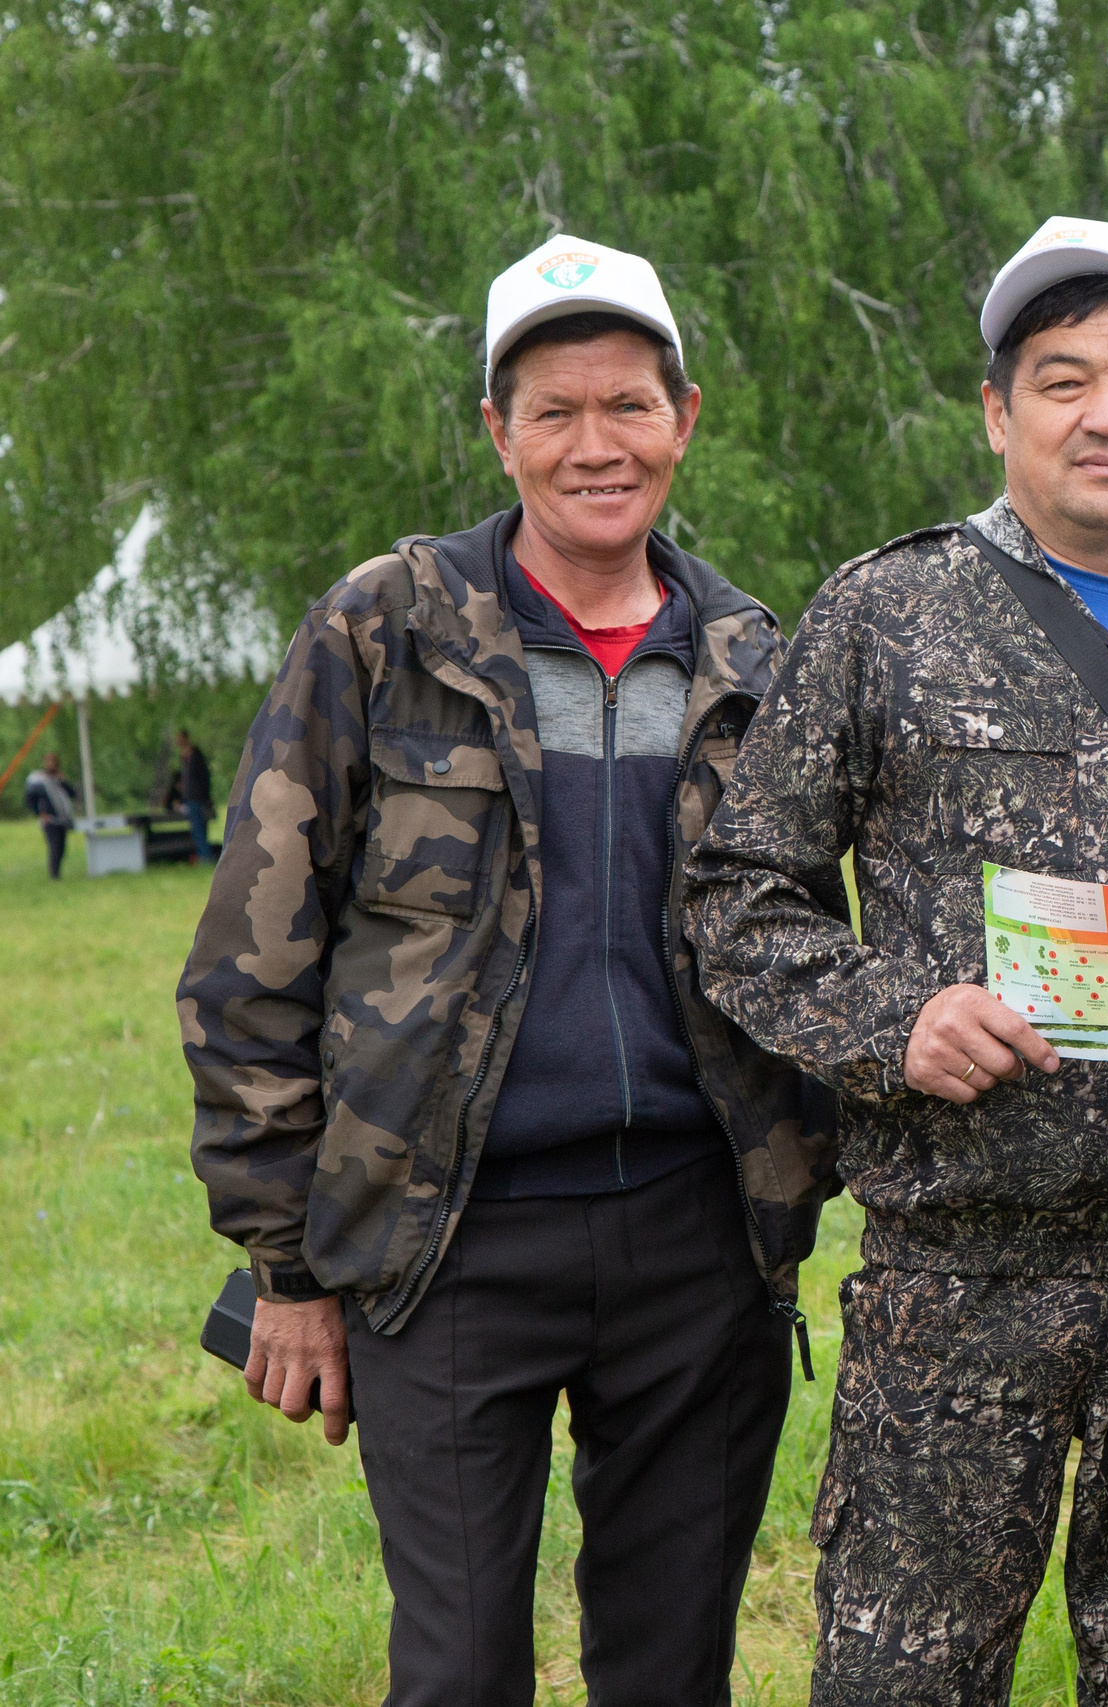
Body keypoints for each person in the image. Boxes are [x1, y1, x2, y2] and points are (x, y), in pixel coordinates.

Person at [683, 217, 1108, 1707]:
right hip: (964, 1268)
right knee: (900, 1679)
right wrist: (895, 1016)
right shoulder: (888, 617)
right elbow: (741, 895)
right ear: (999, 415)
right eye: (1062, 380)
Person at [177, 235, 836, 1705]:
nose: (595, 445)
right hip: (446, 1239)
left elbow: (810, 942)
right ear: (497, 429)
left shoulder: (753, 657)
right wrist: (283, 1264)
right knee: (462, 1665)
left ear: (685, 417)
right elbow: (247, 960)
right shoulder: (383, 630)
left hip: (696, 1244)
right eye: (553, 409)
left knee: (672, 1668)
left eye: (627, 405)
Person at [24, 752, 75, 879]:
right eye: (49, 762)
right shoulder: (39, 780)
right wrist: (40, 813)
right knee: (55, 846)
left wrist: (62, 781)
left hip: (62, 819)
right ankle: (54, 875)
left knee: (62, 848)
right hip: (49, 820)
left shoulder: (59, 779)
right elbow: (29, 799)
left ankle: (56, 872)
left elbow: (72, 794)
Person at [170, 728, 213, 863]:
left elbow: (204, 777)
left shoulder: (195, 756)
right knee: (196, 829)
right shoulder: (184, 759)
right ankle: (203, 855)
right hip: (189, 798)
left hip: (197, 798)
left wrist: (205, 796)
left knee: (199, 829)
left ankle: (205, 857)